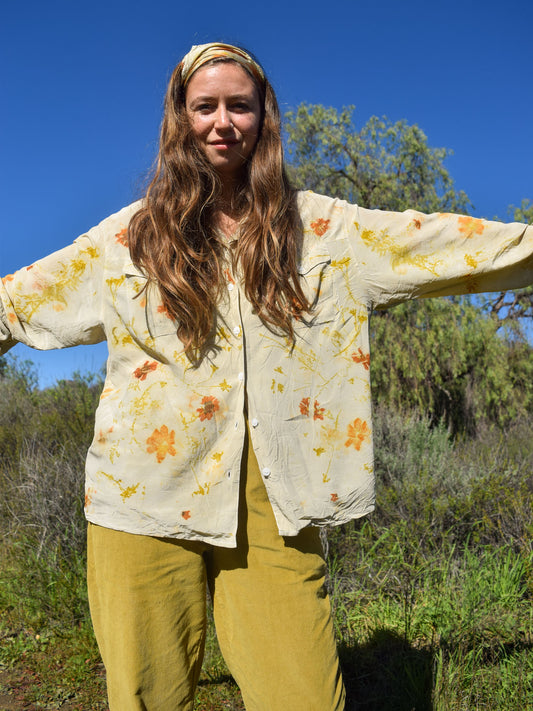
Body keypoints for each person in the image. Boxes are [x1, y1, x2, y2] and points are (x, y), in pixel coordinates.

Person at [1, 42, 533, 711]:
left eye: (239, 105)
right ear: (180, 119)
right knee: (144, 697)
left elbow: (441, 240)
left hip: (275, 501)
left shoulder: (325, 231)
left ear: (262, 118)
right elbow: (14, 302)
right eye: (205, 106)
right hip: (141, 496)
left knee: (304, 696)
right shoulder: (126, 241)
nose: (222, 122)